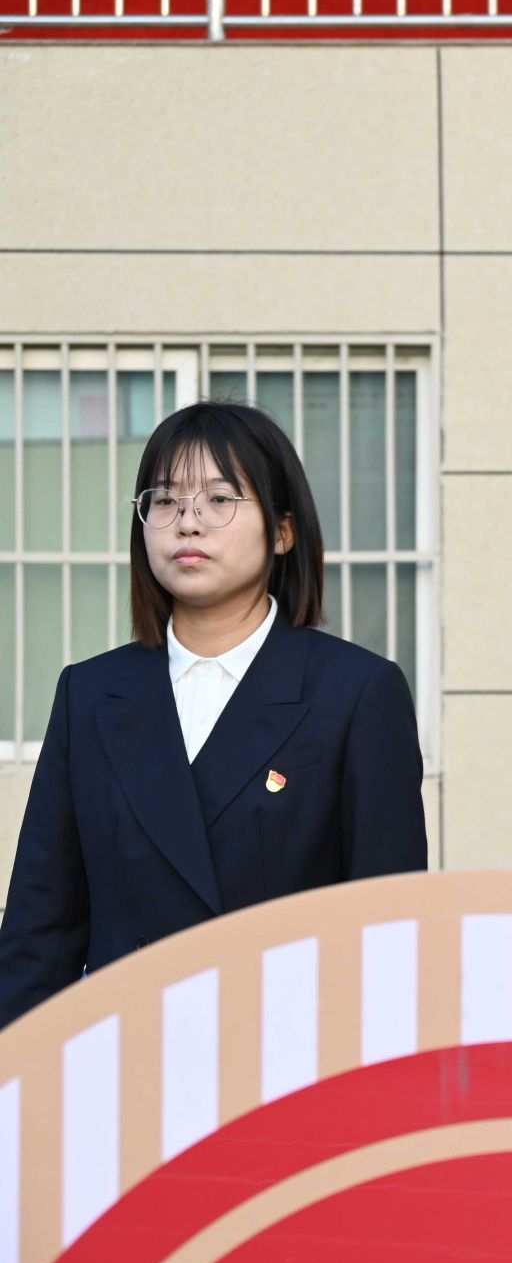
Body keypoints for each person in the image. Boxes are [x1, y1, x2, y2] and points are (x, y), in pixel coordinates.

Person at [0, 401, 429, 1028]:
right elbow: (42, 925)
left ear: (282, 531)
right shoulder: (90, 693)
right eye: (165, 501)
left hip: (286, 1061)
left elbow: (387, 933)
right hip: (124, 1055)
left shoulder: (357, 693)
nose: (187, 523)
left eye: (219, 499)